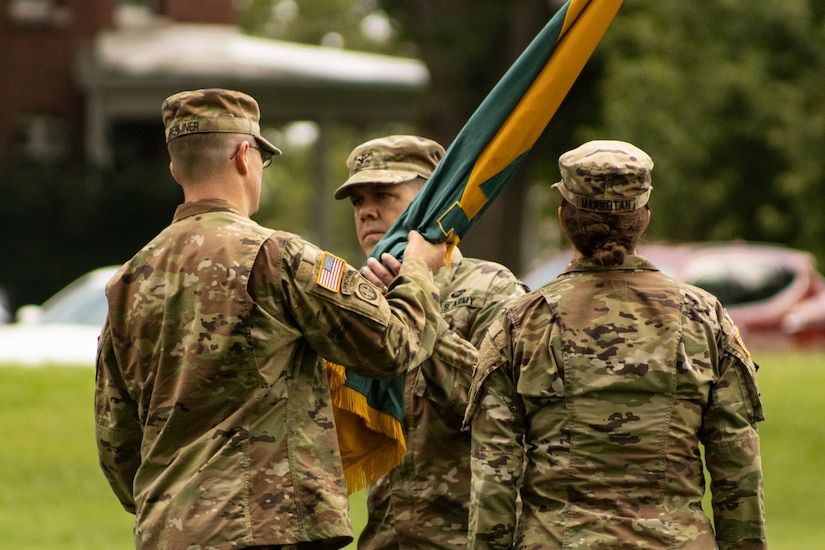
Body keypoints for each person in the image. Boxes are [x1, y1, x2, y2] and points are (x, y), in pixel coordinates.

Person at [94, 89, 450, 550]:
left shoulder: (127, 281)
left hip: (168, 532)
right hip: (266, 530)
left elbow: (117, 444)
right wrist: (419, 267)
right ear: (245, 156)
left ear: (175, 168)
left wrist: (174, 505)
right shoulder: (279, 256)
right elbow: (393, 347)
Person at [464, 140, 767, 549]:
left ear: (563, 219)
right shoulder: (704, 316)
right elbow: (738, 467)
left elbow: (494, 476)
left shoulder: (521, 323)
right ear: (643, 219)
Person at [332, 135, 528, 549]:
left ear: (432, 200)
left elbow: (502, 407)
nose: (367, 211)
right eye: (357, 202)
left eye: (383, 194)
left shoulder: (490, 289)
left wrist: (421, 322)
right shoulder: (355, 296)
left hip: (465, 538)